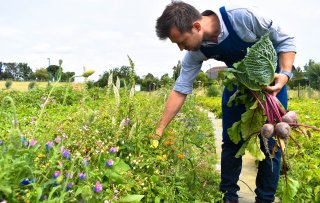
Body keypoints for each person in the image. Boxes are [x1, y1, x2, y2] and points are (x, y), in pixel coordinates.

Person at [155, 1, 296, 203]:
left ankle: (265, 198)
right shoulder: (196, 52)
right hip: (238, 87)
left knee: (271, 144)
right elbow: (181, 88)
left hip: (271, 85)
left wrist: (284, 74)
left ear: (196, 26)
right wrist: (159, 129)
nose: (181, 48)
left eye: (182, 41)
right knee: (231, 143)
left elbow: (286, 40)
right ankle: (228, 196)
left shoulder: (243, 17)